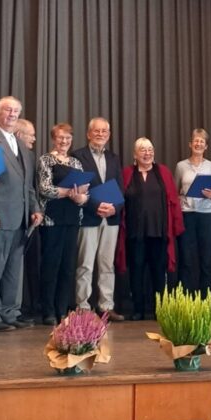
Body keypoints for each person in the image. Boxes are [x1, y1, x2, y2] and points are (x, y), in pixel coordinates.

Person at [0, 96, 43, 332]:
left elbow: (28, 184)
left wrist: (35, 208)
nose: (12, 114)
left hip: (21, 218)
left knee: (14, 270)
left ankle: (10, 312)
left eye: (16, 111)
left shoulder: (20, 144)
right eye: (7, 110)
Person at [117, 137, 184, 321]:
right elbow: (120, 200)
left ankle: (159, 310)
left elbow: (173, 200)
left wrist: (176, 225)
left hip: (158, 231)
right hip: (135, 232)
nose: (147, 153)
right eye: (143, 150)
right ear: (135, 154)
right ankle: (138, 309)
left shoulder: (163, 172)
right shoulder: (127, 173)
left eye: (150, 150)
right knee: (136, 272)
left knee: (158, 272)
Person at [70, 117, 124, 322]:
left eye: (104, 131)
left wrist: (114, 208)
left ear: (109, 135)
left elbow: (120, 187)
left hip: (110, 219)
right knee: (85, 264)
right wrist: (95, 206)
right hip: (89, 217)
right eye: (96, 131)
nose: (100, 134)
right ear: (88, 133)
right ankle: (83, 306)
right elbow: (76, 188)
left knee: (107, 264)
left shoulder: (114, 158)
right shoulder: (78, 156)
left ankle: (106, 306)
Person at [37, 123, 89, 325]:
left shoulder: (76, 163)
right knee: (51, 265)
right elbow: (44, 188)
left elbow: (84, 190)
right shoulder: (46, 160)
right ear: (53, 139)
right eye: (60, 137)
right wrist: (68, 193)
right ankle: (48, 311)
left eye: (67, 138)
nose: (64, 141)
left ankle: (62, 309)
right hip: (52, 219)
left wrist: (82, 198)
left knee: (68, 267)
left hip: (73, 218)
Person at [174, 128, 211, 298]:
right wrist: (180, 200)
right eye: (196, 141)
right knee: (186, 258)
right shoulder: (181, 166)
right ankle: (185, 300)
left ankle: (205, 300)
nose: (198, 144)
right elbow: (175, 190)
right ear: (190, 144)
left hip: (207, 214)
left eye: (202, 141)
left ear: (206, 146)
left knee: (206, 259)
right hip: (187, 214)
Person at [15, 118, 41, 320]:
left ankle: (17, 309)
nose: (34, 138)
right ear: (19, 135)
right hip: (6, 219)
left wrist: (35, 209)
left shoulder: (30, 156)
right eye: (31, 135)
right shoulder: (0, 151)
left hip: (27, 220)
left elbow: (30, 187)